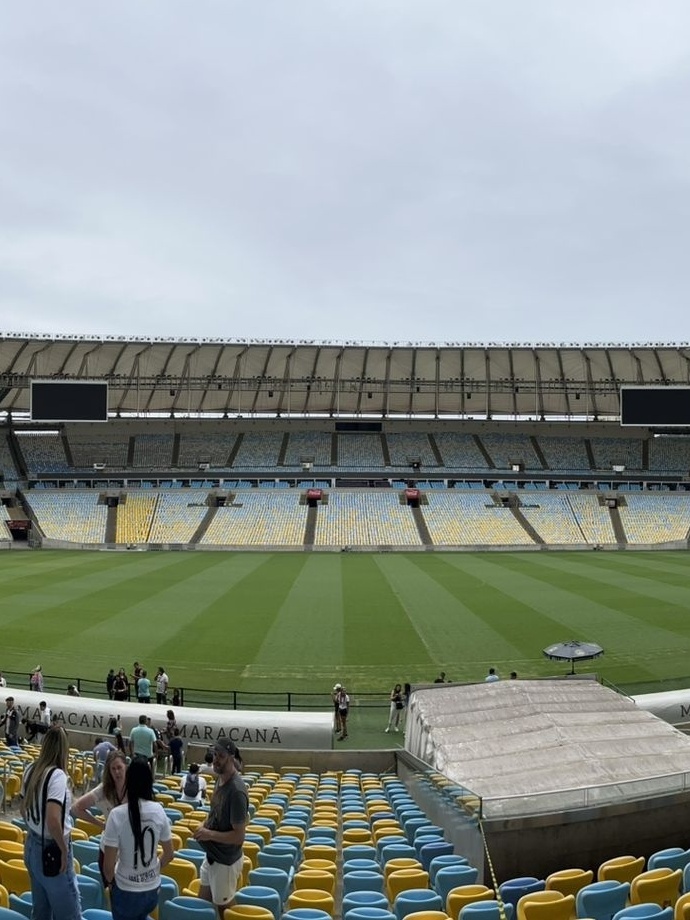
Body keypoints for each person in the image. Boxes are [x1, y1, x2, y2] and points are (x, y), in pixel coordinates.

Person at [19, 725, 81, 920]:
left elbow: (22, 808)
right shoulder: (57, 776)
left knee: (41, 911)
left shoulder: (30, 769)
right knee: (69, 915)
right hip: (51, 850)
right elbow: (53, 819)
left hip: (32, 845)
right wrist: (63, 849)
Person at [102, 759, 174, 920]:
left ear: (128, 781)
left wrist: (113, 883)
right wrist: (153, 871)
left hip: (126, 891)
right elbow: (169, 854)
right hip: (152, 891)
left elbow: (108, 868)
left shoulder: (116, 815)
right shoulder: (159, 811)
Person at [193, 739, 248, 917]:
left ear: (231, 758)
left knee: (226, 910)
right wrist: (204, 826)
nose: (216, 760)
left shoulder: (236, 791)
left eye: (221, 756)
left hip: (225, 861)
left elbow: (238, 837)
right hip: (212, 856)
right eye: (215, 755)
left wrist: (208, 833)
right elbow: (216, 813)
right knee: (203, 905)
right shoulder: (220, 779)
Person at [72, 749, 127, 830]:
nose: (117, 772)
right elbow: (76, 807)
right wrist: (101, 825)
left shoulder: (134, 786)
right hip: (111, 836)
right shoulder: (103, 789)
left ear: (125, 767)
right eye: (113, 769)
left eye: (119, 767)